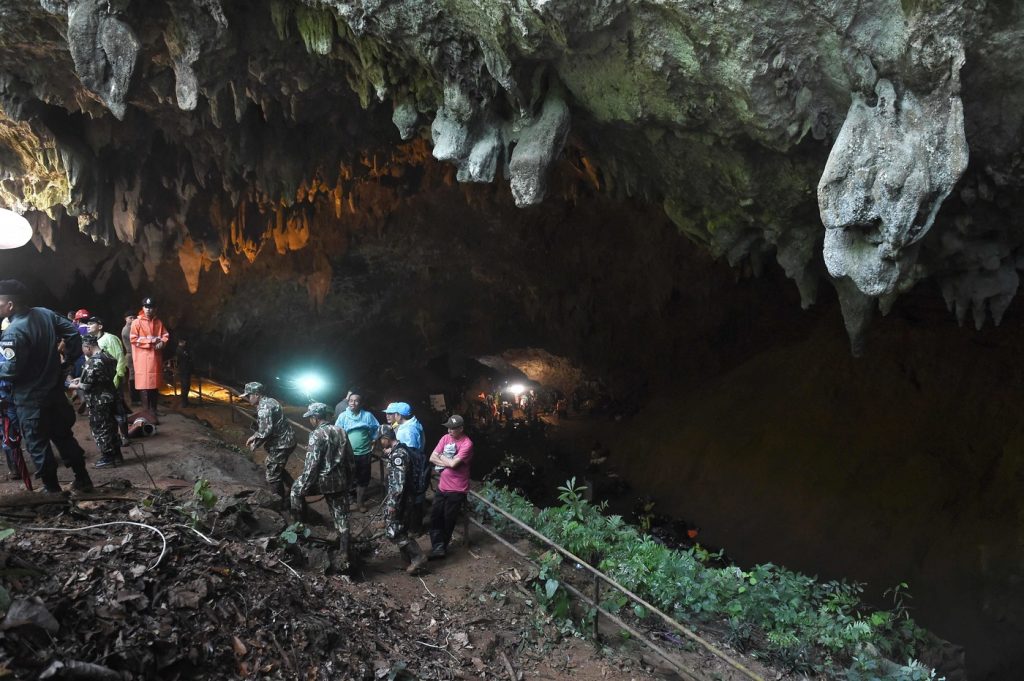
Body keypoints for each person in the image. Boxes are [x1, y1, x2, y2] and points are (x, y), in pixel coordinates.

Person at [0, 280, 93, 494]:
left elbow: (10, 371)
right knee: (63, 435)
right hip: (54, 392)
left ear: (11, 305)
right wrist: (68, 361)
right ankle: (83, 479)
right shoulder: (45, 313)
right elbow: (71, 332)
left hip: (30, 399)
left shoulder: (13, 333)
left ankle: (52, 490)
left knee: (37, 443)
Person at [292, 402, 352, 572]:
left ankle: (298, 531)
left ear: (315, 418)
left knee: (295, 492)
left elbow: (312, 465)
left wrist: (304, 485)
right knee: (342, 516)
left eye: (311, 417)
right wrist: (349, 481)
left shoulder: (316, 435)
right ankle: (345, 551)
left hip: (322, 482)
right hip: (340, 481)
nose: (310, 420)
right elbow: (350, 460)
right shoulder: (341, 431)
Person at [377, 424, 427, 574]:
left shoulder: (398, 455)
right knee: (401, 527)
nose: (380, 443)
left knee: (394, 530)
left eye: (381, 440)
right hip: (404, 499)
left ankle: (418, 557)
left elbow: (398, 485)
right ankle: (407, 559)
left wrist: (392, 504)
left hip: (402, 500)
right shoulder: (399, 450)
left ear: (386, 439)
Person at [68, 335, 124, 468]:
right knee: (111, 426)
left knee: (100, 428)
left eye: (83, 349)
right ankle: (117, 455)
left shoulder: (93, 361)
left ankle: (108, 457)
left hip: (98, 400)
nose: (83, 352)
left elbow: (85, 385)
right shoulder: (108, 357)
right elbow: (99, 377)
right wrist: (80, 378)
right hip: (111, 396)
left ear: (87, 347)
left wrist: (69, 385)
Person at [427, 414, 473, 559]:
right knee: (435, 517)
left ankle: (442, 548)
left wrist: (441, 458)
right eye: (448, 428)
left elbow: (454, 464)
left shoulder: (467, 443)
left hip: (457, 489)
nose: (449, 431)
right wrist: (446, 460)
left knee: (448, 519)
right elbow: (432, 457)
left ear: (461, 428)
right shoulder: (445, 438)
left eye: (452, 429)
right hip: (442, 486)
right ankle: (436, 546)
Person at [242, 382, 297, 501]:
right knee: (275, 466)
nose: (247, 398)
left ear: (256, 394)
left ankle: (280, 501)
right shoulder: (271, 401)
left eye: (248, 395)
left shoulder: (264, 408)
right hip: (287, 440)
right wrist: (255, 436)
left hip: (282, 444)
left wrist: (255, 443)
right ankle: (294, 489)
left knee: (272, 474)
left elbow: (265, 431)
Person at [386, 402, 428, 533]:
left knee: (414, 497)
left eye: (390, 413)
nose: (387, 416)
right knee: (413, 497)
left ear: (398, 415)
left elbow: (410, 454)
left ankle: (415, 528)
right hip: (416, 466)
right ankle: (412, 525)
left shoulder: (407, 430)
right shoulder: (409, 424)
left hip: (413, 470)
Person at [334, 392, 380, 512]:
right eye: (350, 401)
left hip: (365, 454)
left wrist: (374, 440)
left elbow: (377, 428)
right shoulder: (343, 416)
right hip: (349, 454)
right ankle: (347, 502)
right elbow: (337, 432)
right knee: (347, 478)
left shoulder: (367, 416)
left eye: (356, 401)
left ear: (361, 403)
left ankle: (360, 503)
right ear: (347, 402)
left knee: (363, 479)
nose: (352, 403)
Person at [129, 298, 169, 418]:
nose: (148, 309)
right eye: (146, 307)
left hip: (155, 358)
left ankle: (154, 410)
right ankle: (146, 411)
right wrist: (151, 341)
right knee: (144, 384)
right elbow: (133, 339)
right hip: (142, 358)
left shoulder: (158, 322)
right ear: (143, 308)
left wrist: (162, 342)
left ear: (155, 309)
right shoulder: (137, 322)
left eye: (150, 307)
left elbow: (165, 335)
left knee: (154, 384)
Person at [120, 311, 139, 405]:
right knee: (133, 377)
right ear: (126, 319)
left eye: (134, 318)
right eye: (130, 318)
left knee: (134, 376)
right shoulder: (127, 330)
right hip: (131, 355)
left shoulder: (132, 328)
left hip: (134, 354)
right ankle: (135, 399)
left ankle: (136, 398)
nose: (132, 319)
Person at [175, 338, 193, 407]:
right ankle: (184, 402)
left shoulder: (183, 349)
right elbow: (186, 358)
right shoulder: (180, 350)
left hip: (186, 370)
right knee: (184, 386)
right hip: (183, 370)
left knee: (186, 386)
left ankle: (185, 401)